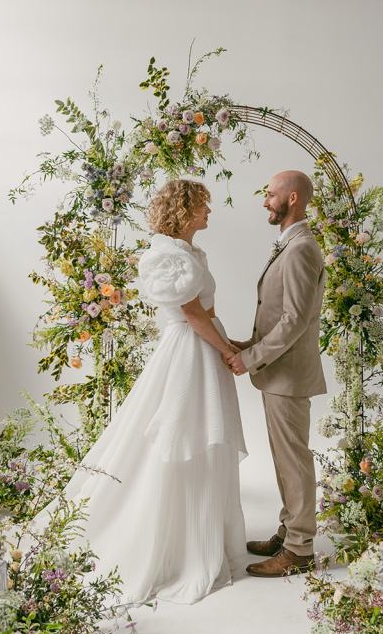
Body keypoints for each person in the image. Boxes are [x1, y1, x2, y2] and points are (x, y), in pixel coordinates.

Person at [31, 178, 247, 606]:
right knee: (181, 436)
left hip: (202, 347)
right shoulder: (167, 255)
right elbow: (190, 313)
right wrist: (225, 350)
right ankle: (173, 543)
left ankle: (200, 533)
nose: (209, 212)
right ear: (183, 210)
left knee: (203, 437)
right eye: (203, 205)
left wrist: (228, 343)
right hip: (188, 350)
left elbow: (209, 311)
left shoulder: (191, 253)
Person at [227, 170, 326, 577]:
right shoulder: (290, 243)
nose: (265, 201)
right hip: (277, 372)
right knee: (285, 459)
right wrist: (247, 348)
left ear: (294, 198)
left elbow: (295, 321)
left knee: (294, 460)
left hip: (288, 374)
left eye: (270, 195)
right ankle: (288, 532)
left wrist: (251, 358)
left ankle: (300, 550)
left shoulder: (302, 248)